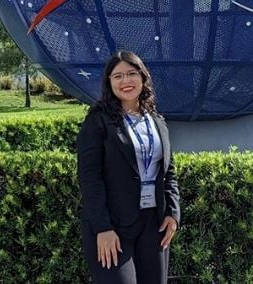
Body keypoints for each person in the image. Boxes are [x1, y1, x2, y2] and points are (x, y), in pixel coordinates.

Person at [77, 50, 180, 284]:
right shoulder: (97, 121)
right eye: (118, 76)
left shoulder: (157, 121)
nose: (126, 81)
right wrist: (102, 228)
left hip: (153, 225)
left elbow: (169, 172)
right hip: (112, 226)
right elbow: (89, 178)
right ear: (109, 83)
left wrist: (173, 213)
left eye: (132, 74)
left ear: (143, 78)